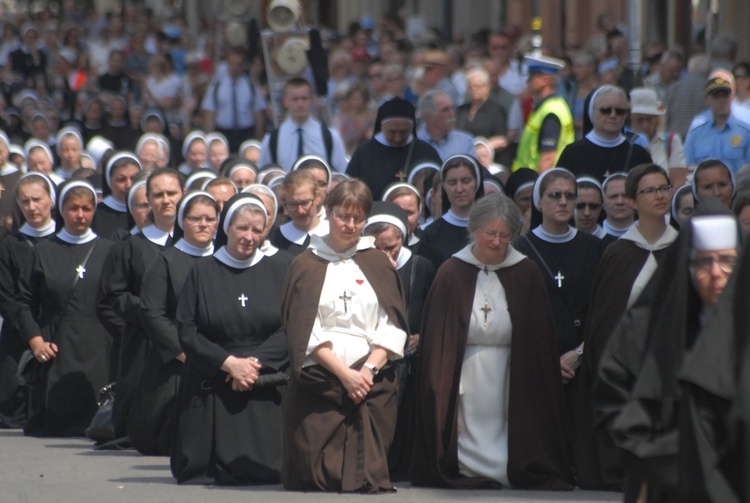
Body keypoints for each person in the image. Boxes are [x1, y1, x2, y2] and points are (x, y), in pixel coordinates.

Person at [410, 192, 571, 489]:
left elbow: (539, 340)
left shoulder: (526, 273)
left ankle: (509, 468)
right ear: (474, 230)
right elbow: (438, 345)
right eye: (489, 234)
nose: (496, 242)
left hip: (511, 371)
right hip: (465, 372)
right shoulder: (451, 272)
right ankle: (465, 466)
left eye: (504, 235)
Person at [594, 199, 740, 501]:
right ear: (686, 264)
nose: (716, 273)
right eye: (704, 261)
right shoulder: (645, 328)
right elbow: (612, 401)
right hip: (665, 485)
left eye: (727, 260)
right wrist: (669, 457)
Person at [281, 179, 408, 492]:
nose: (351, 225)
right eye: (343, 216)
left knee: (369, 474)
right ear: (327, 211)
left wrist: (366, 371)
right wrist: (343, 374)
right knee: (316, 476)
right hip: (322, 373)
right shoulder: (305, 263)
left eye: (358, 218)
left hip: (370, 373)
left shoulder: (377, 261)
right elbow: (302, 328)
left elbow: (392, 323)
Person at [574, 164, 678, 490]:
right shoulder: (619, 253)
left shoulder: (683, 249)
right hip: (629, 364)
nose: (660, 195)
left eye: (663, 188)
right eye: (650, 190)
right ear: (633, 201)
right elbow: (604, 318)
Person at [173, 193, 289, 484]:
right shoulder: (202, 271)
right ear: (226, 227)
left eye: (257, 230)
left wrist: (253, 363)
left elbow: (292, 326)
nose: (249, 236)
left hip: (262, 378)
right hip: (216, 379)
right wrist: (227, 363)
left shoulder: (282, 268)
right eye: (242, 228)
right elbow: (186, 329)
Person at [514, 168, 603, 453]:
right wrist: (548, 359)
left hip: (583, 359)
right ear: (539, 203)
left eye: (569, 195)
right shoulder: (520, 249)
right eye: (555, 195)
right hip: (537, 361)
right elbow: (517, 313)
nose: (564, 202)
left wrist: (578, 354)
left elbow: (602, 309)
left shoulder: (594, 248)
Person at [17, 179, 114, 436]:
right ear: (61, 209)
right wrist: (36, 342)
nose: (80, 215)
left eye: (87, 208)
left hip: (99, 346)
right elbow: (24, 302)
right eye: (73, 208)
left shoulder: (110, 251)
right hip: (56, 344)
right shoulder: (43, 251)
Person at [98, 168, 184, 443]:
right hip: (144, 341)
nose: (166, 200)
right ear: (148, 199)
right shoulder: (131, 246)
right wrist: (151, 311)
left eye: (172, 193)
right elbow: (116, 296)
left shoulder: (195, 245)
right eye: (158, 195)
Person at [130, 192, 219, 456]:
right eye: (195, 218)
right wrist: (184, 352)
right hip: (176, 360)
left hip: (217, 357)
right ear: (182, 221)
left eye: (210, 219)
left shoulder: (223, 261)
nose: (203, 224)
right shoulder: (166, 261)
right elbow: (153, 313)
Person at [363, 201, 435, 479]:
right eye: (378, 247)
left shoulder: (421, 267)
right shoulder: (359, 266)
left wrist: (423, 336)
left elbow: (435, 311)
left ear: (402, 241)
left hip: (411, 361)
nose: (385, 254)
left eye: (391, 247)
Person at [0, 173, 57, 428]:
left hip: (55, 330)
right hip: (19, 332)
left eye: (37, 199)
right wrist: (30, 331)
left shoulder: (63, 242)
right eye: (25, 201)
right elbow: (6, 294)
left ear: (51, 201)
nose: (32, 207)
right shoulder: (11, 244)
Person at [346, 96, 441, 200]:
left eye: (403, 132)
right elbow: (350, 190)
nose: (398, 138)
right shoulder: (365, 153)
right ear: (382, 127)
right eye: (392, 132)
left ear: (412, 128)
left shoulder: (425, 152)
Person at [557, 85, 652, 182]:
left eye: (619, 111)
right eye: (606, 110)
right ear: (592, 113)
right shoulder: (572, 153)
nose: (613, 115)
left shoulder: (639, 155)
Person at [258, 78, 348, 172]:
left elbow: (341, 172)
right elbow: (264, 174)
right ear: (285, 102)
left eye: (304, 98)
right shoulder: (272, 140)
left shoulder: (330, 136)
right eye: (295, 99)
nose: (300, 104)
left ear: (312, 100)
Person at [512, 55, 575, 172]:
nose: (527, 81)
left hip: (535, 180)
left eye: (531, 76)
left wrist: (538, 188)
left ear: (545, 80)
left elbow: (548, 158)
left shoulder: (550, 111)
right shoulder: (553, 105)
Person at [420, 154, 484, 264]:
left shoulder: (491, 227)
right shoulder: (430, 234)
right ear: (444, 186)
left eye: (466, 181)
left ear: (476, 183)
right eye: (452, 183)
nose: (459, 189)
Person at [201, 48, 267, 153]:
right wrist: (210, 138)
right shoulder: (217, 85)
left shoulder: (250, 85)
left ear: (243, 66)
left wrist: (259, 138)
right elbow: (209, 112)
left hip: (246, 132)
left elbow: (258, 113)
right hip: (224, 131)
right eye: (232, 63)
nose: (235, 67)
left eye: (238, 64)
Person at [628, 87, 687, 187]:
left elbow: (678, 182)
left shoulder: (671, 140)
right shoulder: (625, 142)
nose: (645, 125)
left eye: (649, 119)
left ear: (656, 119)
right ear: (630, 120)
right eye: (639, 120)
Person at [455, 68, 509, 161]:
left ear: (487, 87)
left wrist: (481, 148)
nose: (474, 89)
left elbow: (502, 140)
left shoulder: (496, 110)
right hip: (461, 157)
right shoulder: (461, 110)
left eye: (477, 86)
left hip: (484, 160)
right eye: (470, 87)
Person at [271, 169, 329, 257]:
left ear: (318, 197)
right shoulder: (276, 237)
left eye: (305, 203)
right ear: (283, 201)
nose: (300, 211)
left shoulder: (333, 233)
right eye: (293, 204)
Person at [90, 152, 142, 239]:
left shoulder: (150, 211)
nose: (128, 185)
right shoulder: (96, 214)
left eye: (133, 178)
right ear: (110, 181)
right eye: (122, 179)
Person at [416, 90, 475, 161]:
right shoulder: (414, 143)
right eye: (445, 110)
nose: (452, 113)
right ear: (429, 118)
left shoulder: (465, 141)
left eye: (452, 108)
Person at [600, 172, 636, 243]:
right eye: (613, 196)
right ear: (603, 202)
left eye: (625, 196)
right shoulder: (593, 238)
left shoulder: (650, 236)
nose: (620, 202)